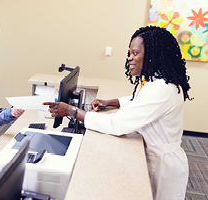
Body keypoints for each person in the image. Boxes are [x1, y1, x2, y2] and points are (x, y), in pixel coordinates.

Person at [43, 26, 192, 200]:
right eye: (129, 53)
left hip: (163, 167)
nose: (130, 58)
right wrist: (110, 102)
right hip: (155, 156)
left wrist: (72, 111)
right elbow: (138, 99)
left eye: (135, 53)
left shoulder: (162, 89)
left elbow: (117, 125)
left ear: (152, 55)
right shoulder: (155, 81)